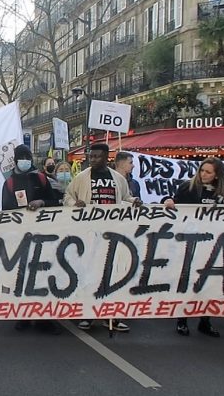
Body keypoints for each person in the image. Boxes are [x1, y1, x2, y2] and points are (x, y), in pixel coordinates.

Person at [65, 143, 140, 333]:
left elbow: (125, 198)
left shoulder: (118, 179)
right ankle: (88, 315)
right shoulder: (81, 178)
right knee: (90, 275)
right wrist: (75, 203)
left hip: (113, 235)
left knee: (113, 275)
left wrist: (134, 202)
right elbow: (67, 197)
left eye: (98, 156)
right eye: (92, 156)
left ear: (107, 158)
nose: (94, 159)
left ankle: (111, 315)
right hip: (89, 235)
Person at [163, 157, 224, 337]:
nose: (203, 174)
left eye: (208, 172)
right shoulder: (188, 187)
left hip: (212, 244)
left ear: (217, 175)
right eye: (202, 170)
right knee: (187, 280)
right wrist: (169, 201)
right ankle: (182, 319)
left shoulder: (222, 193)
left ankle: (205, 320)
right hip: (188, 241)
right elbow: (174, 203)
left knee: (209, 283)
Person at [1, 145, 61, 334]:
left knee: (43, 276)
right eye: (21, 157)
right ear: (16, 160)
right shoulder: (9, 183)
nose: (25, 159)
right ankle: (23, 315)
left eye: (27, 156)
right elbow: (5, 211)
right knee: (21, 277)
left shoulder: (42, 179)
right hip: (20, 239)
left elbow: (54, 203)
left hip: (44, 238)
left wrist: (42, 202)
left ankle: (45, 318)